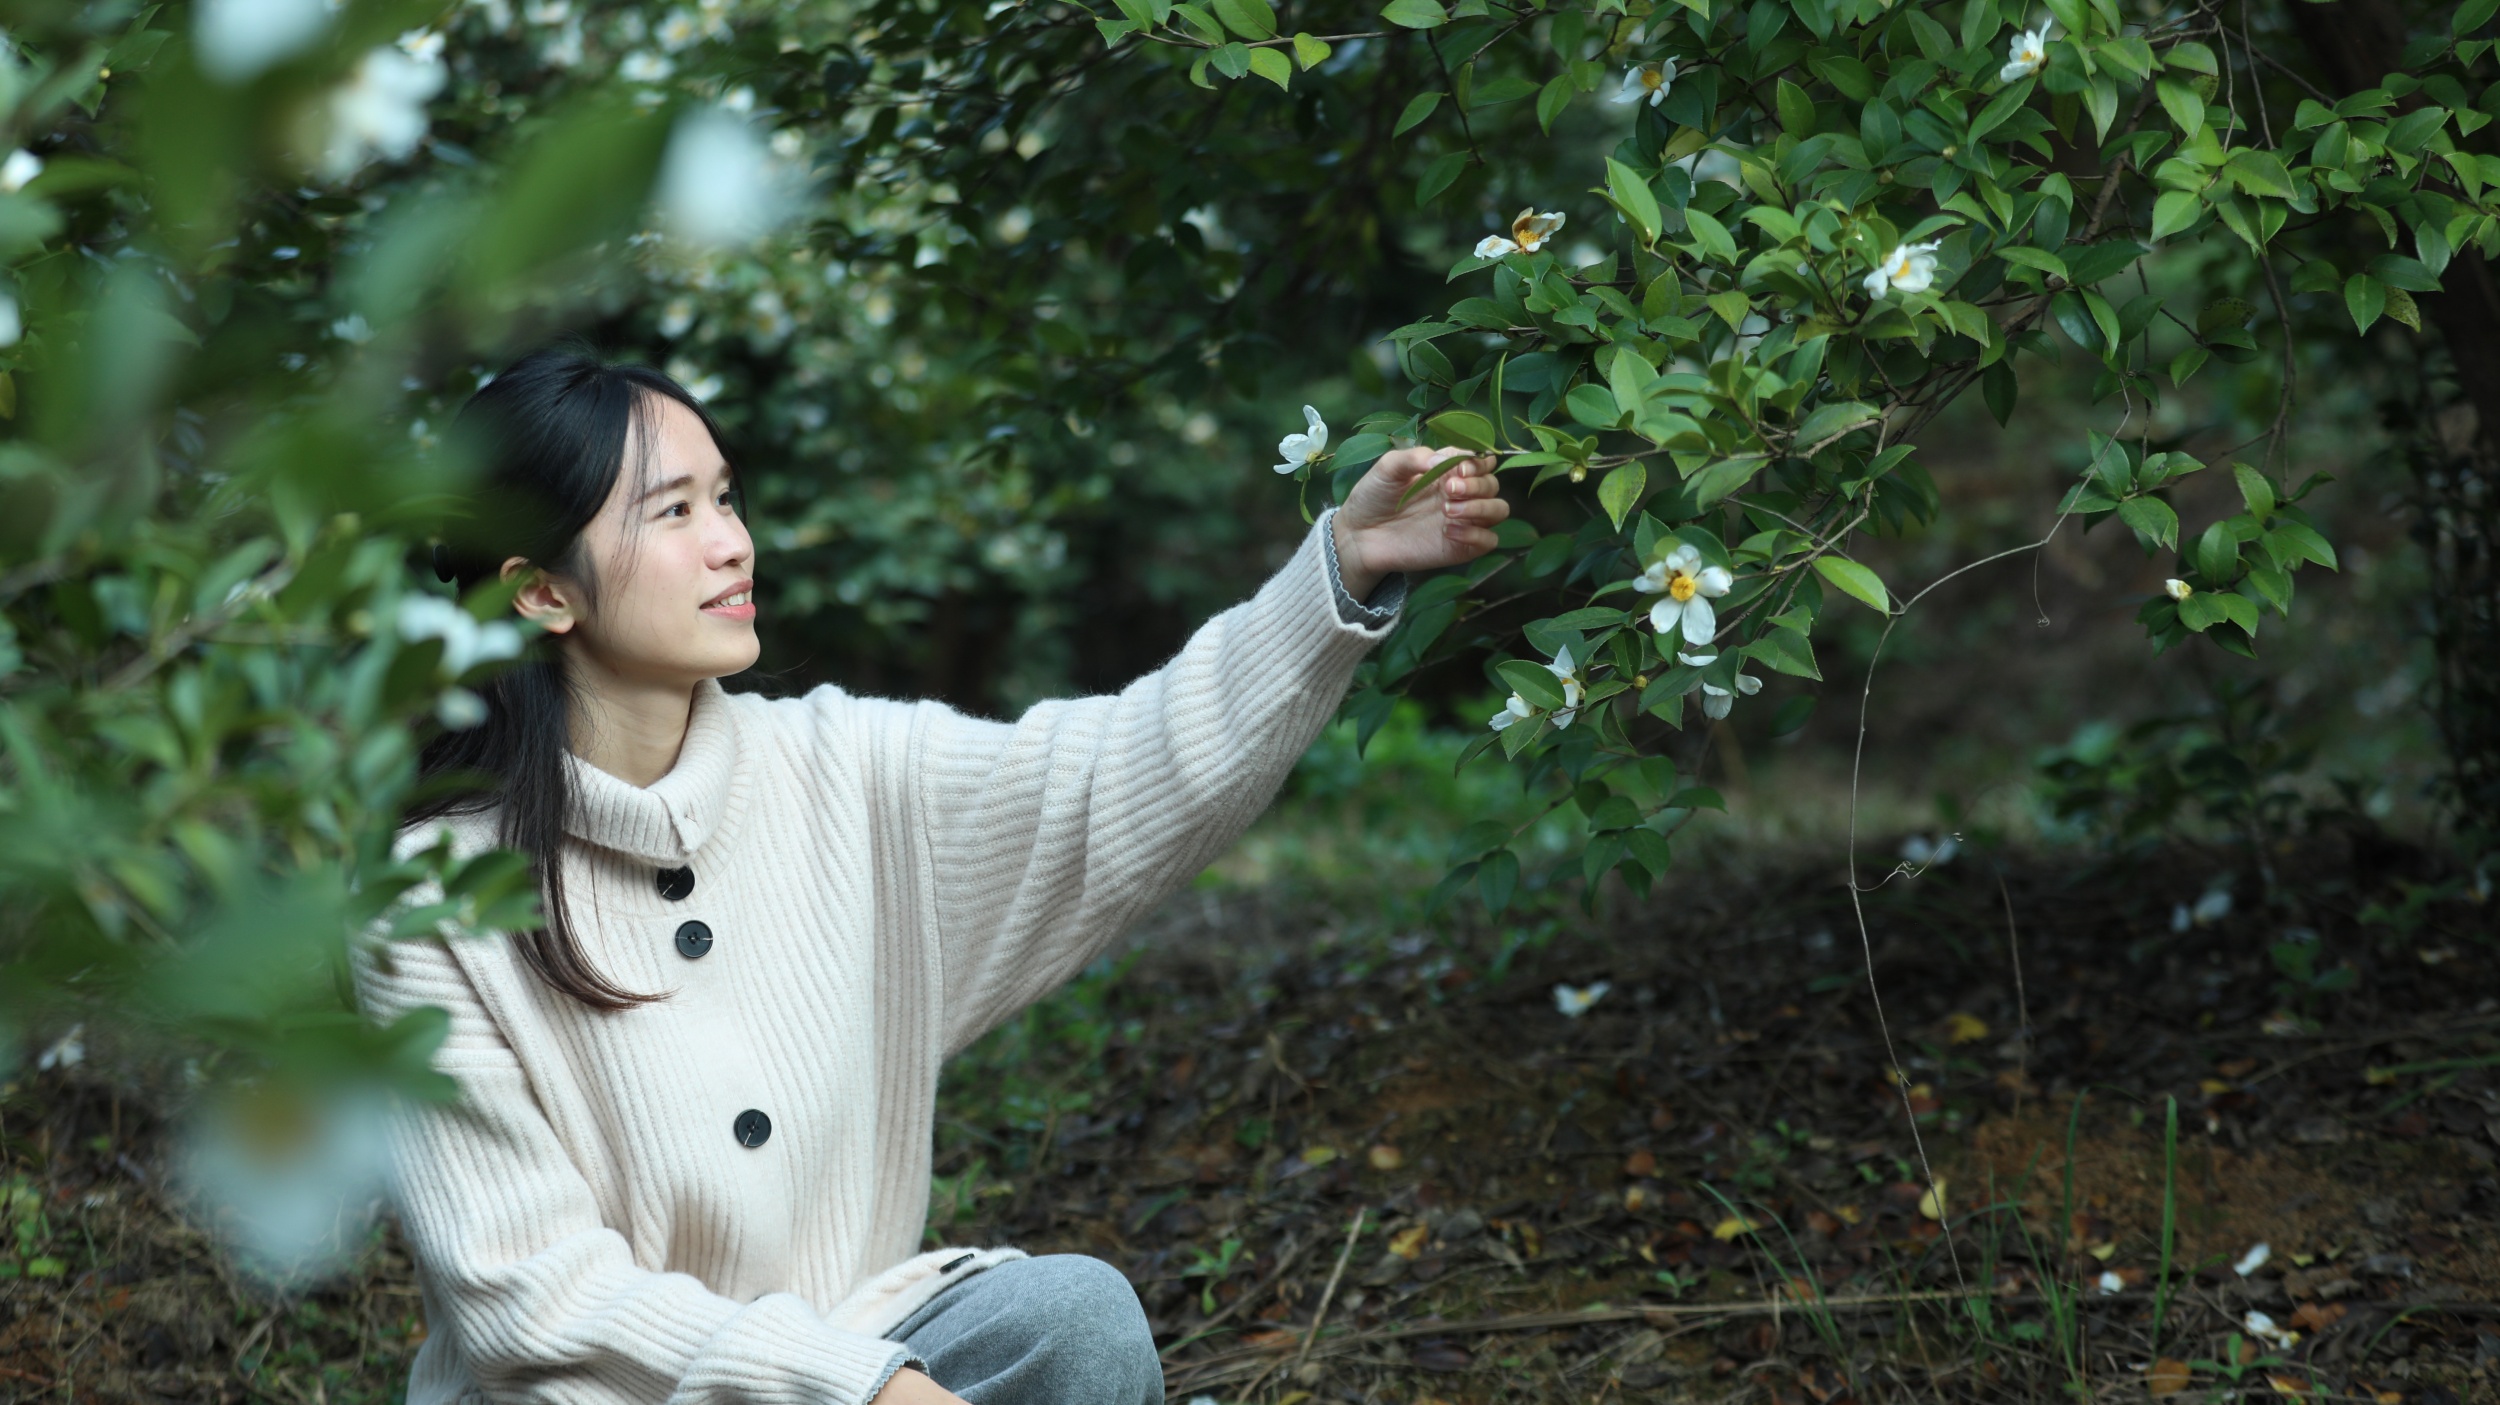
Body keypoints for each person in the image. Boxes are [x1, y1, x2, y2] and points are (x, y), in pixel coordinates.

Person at [353, 345, 1510, 1404]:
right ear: (540, 589)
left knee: (1072, 1320)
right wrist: (857, 1387)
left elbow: (1114, 778)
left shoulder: (845, 768)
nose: (732, 542)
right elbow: (531, 1293)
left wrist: (1338, 572)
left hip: (867, 1341)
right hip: (600, 1393)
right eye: (673, 511)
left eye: (726, 498)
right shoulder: (432, 902)